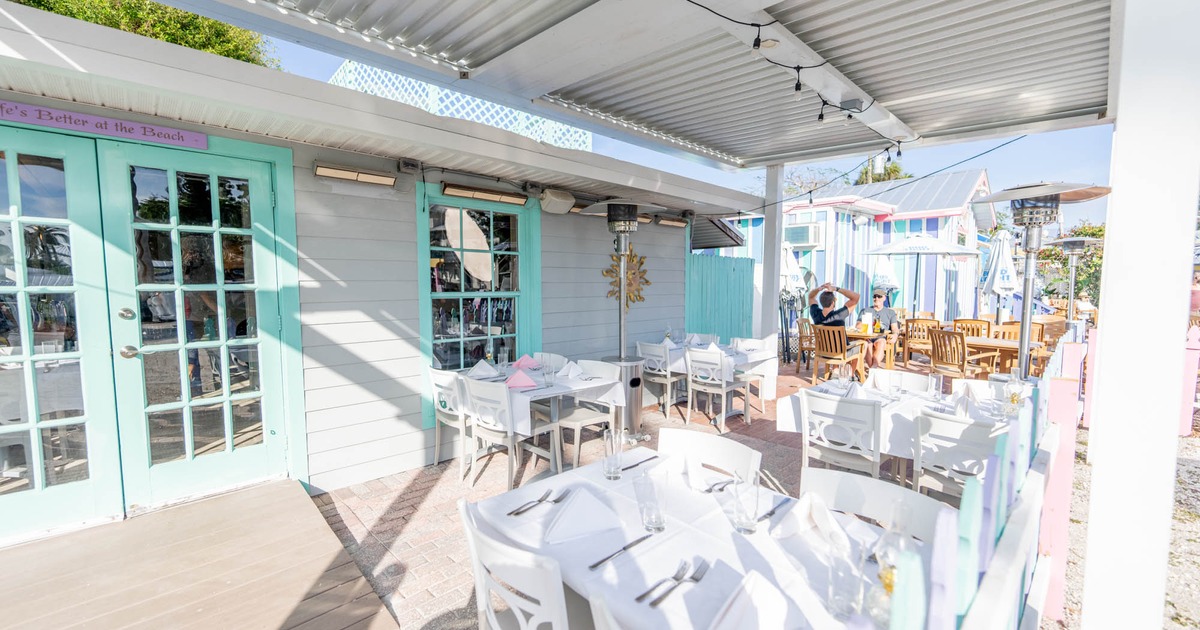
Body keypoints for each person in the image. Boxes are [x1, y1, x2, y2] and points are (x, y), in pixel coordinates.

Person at [860, 288, 900, 368]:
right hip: (867, 336)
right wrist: (865, 325)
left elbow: (894, 328)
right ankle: (873, 369)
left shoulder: (890, 312)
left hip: (881, 336)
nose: (876, 298)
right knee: (867, 344)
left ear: (884, 298)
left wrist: (895, 335)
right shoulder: (865, 310)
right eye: (874, 296)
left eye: (879, 296)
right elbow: (857, 325)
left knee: (881, 343)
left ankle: (873, 367)